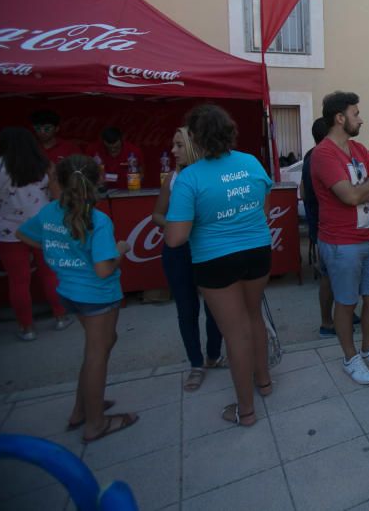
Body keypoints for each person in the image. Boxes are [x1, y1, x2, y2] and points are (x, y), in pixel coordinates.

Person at [164, 104, 274, 426]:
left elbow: (175, 238)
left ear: (195, 138)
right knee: (254, 318)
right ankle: (264, 383)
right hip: (257, 251)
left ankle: (246, 411)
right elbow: (263, 209)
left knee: (234, 334)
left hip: (215, 260)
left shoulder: (190, 178)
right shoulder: (251, 162)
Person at [17, 154, 138, 442]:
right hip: (97, 295)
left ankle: (82, 409)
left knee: (102, 345)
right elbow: (103, 267)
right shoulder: (98, 220)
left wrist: (55, 251)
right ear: (97, 181)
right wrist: (121, 249)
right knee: (97, 354)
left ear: (58, 181)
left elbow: (23, 234)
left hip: (70, 292)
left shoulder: (50, 213)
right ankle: (95, 423)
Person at [311, 91, 369, 385]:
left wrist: (363, 188)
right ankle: (350, 358)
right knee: (346, 303)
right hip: (340, 243)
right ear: (340, 118)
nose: (361, 119)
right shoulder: (324, 154)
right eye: (356, 114)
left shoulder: (359, 149)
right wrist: (366, 187)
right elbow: (348, 196)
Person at [152, 127, 222, 391]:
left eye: (179, 145)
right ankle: (196, 363)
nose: (173, 151)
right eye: (174, 145)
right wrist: (179, 224)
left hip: (208, 249)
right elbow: (156, 215)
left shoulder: (213, 174)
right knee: (187, 308)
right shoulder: (172, 177)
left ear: (194, 147)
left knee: (216, 306)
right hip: (178, 251)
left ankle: (214, 356)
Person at [0, 127, 70, 340]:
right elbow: (58, 199)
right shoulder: (44, 166)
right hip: (41, 228)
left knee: (18, 281)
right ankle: (60, 316)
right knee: (50, 274)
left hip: (5, 232)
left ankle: (27, 327)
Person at [301, 118, 338, 338]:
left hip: (320, 225)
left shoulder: (310, 155)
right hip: (325, 227)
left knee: (336, 276)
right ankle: (327, 322)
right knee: (329, 276)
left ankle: (342, 313)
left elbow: (302, 193)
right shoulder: (320, 158)